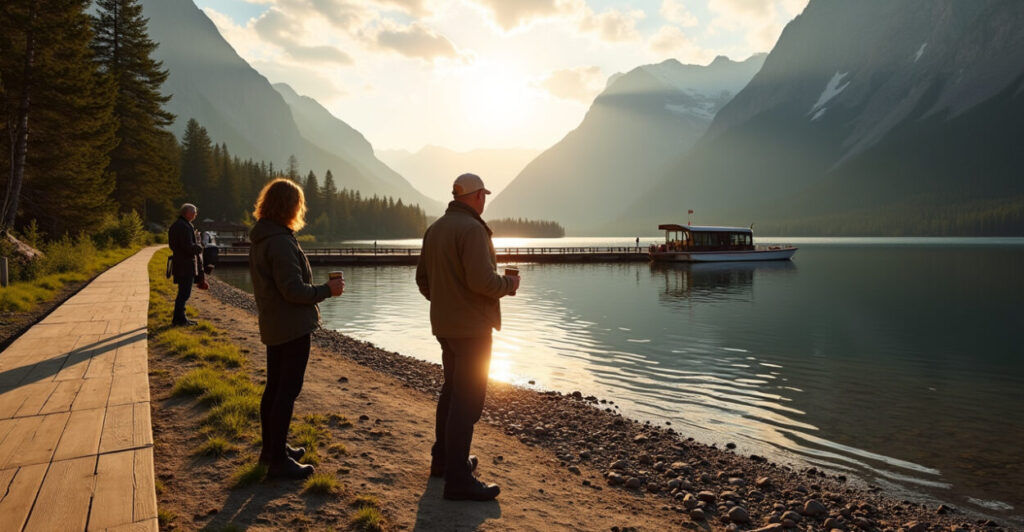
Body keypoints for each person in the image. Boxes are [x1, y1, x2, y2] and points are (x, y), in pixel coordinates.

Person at [415, 173, 520, 501]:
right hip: (472, 328)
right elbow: (481, 281)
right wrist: (508, 286)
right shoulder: (472, 229)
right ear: (475, 197)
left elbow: (422, 280)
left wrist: (446, 302)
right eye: (482, 196)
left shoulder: (435, 229)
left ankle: (444, 461)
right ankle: (458, 480)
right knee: (468, 401)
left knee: (451, 392)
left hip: (445, 328)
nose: (483, 200)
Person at [249, 178, 345, 479]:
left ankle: (272, 449)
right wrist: (327, 290)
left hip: (275, 323)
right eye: (298, 204)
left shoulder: (266, 237)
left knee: (275, 388)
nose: (301, 209)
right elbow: (293, 290)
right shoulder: (279, 242)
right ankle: (278, 460)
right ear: (290, 206)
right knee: (286, 390)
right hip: (291, 326)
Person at [168, 203, 205, 326]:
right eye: (194, 212)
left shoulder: (176, 225)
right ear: (188, 213)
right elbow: (188, 247)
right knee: (184, 293)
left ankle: (180, 318)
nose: (196, 215)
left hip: (179, 263)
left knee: (182, 292)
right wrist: (199, 247)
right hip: (185, 265)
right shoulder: (184, 226)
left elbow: (174, 246)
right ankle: (179, 320)